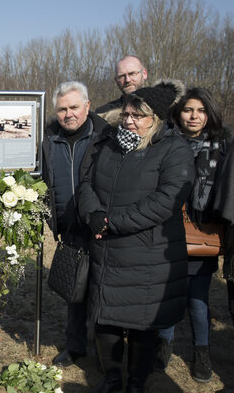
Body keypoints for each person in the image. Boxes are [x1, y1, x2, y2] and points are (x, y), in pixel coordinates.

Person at [78, 80, 194, 392]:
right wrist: (93, 215)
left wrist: (112, 222)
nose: (129, 121)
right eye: (127, 114)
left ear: (156, 118)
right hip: (106, 249)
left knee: (143, 325)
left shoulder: (174, 149)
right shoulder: (108, 142)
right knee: (106, 319)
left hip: (147, 253)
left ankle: (137, 382)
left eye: (138, 116)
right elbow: (86, 180)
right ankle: (112, 378)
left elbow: (165, 201)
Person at [157, 88, 231, 382]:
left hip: (203, 230)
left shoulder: (221, 146)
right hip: (167, 230)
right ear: (179, 113)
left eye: (201, 110)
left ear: (209, 114)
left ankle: (202, 350)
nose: (194, 116)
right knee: (168, 292)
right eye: (189, 110)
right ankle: (164, 344)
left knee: (198, 297)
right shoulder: (165, 143)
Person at [42, 81, 109, 367]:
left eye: (74, 107)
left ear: (87, 106)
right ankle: (76, 345)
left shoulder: (106, 135)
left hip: (101, 224)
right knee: (75, 288)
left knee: (103, 288)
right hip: (68, 226)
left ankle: (107, 350)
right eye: (62, 109)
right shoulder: (47, 139)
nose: (68, 114)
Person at [95, 55, 148, 123]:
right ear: (116, 80)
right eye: (121, 76)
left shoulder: (160, 107)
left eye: (132, 74)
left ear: (144, 74)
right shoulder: (103, 114)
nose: (127, 80)